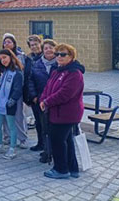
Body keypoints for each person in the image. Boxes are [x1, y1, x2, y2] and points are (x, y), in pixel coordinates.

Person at [40, 43, 84, 179]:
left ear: (71, 56)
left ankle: (61, 169)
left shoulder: (74, 73)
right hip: (57, 112)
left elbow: (65, 93)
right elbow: (48, 87)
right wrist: (43, 99)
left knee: (57, 140)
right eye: (57, 54)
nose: (59, 57)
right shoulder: (57, 71)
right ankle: (73, 168)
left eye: (63, 54)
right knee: (67, 140)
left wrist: (47, 102)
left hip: (66, 114)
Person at [0, 49, 24, 159]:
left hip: (9, 105)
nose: (3, 60)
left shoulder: (17, 73)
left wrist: (12, 100)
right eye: (1, 58)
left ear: (11, 57)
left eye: (5, 57)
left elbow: (18, 89)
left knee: (11, 127)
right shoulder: (3, 71)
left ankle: (12, 148)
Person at [28, 39, 58, 155]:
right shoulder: (37, 64)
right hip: (39, 100)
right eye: (46, 48)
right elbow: (31, 80)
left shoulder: (59, 64)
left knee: (51, 126)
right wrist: (34, 96)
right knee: (40, 124)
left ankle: (51, 149)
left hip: (54, 101)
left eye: (51, 47)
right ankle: (42, 144)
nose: (48, 50)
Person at [2, 33, 31, 148]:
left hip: (16, 89)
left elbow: (22, 72)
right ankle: (7, 136)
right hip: (4, 90)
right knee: (5, 115)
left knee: (18, 115)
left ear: (14, 43)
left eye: (9, 42)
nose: (7, 44)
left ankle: (22, 138)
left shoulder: (20, 56)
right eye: (5, 42)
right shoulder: (1, 54)